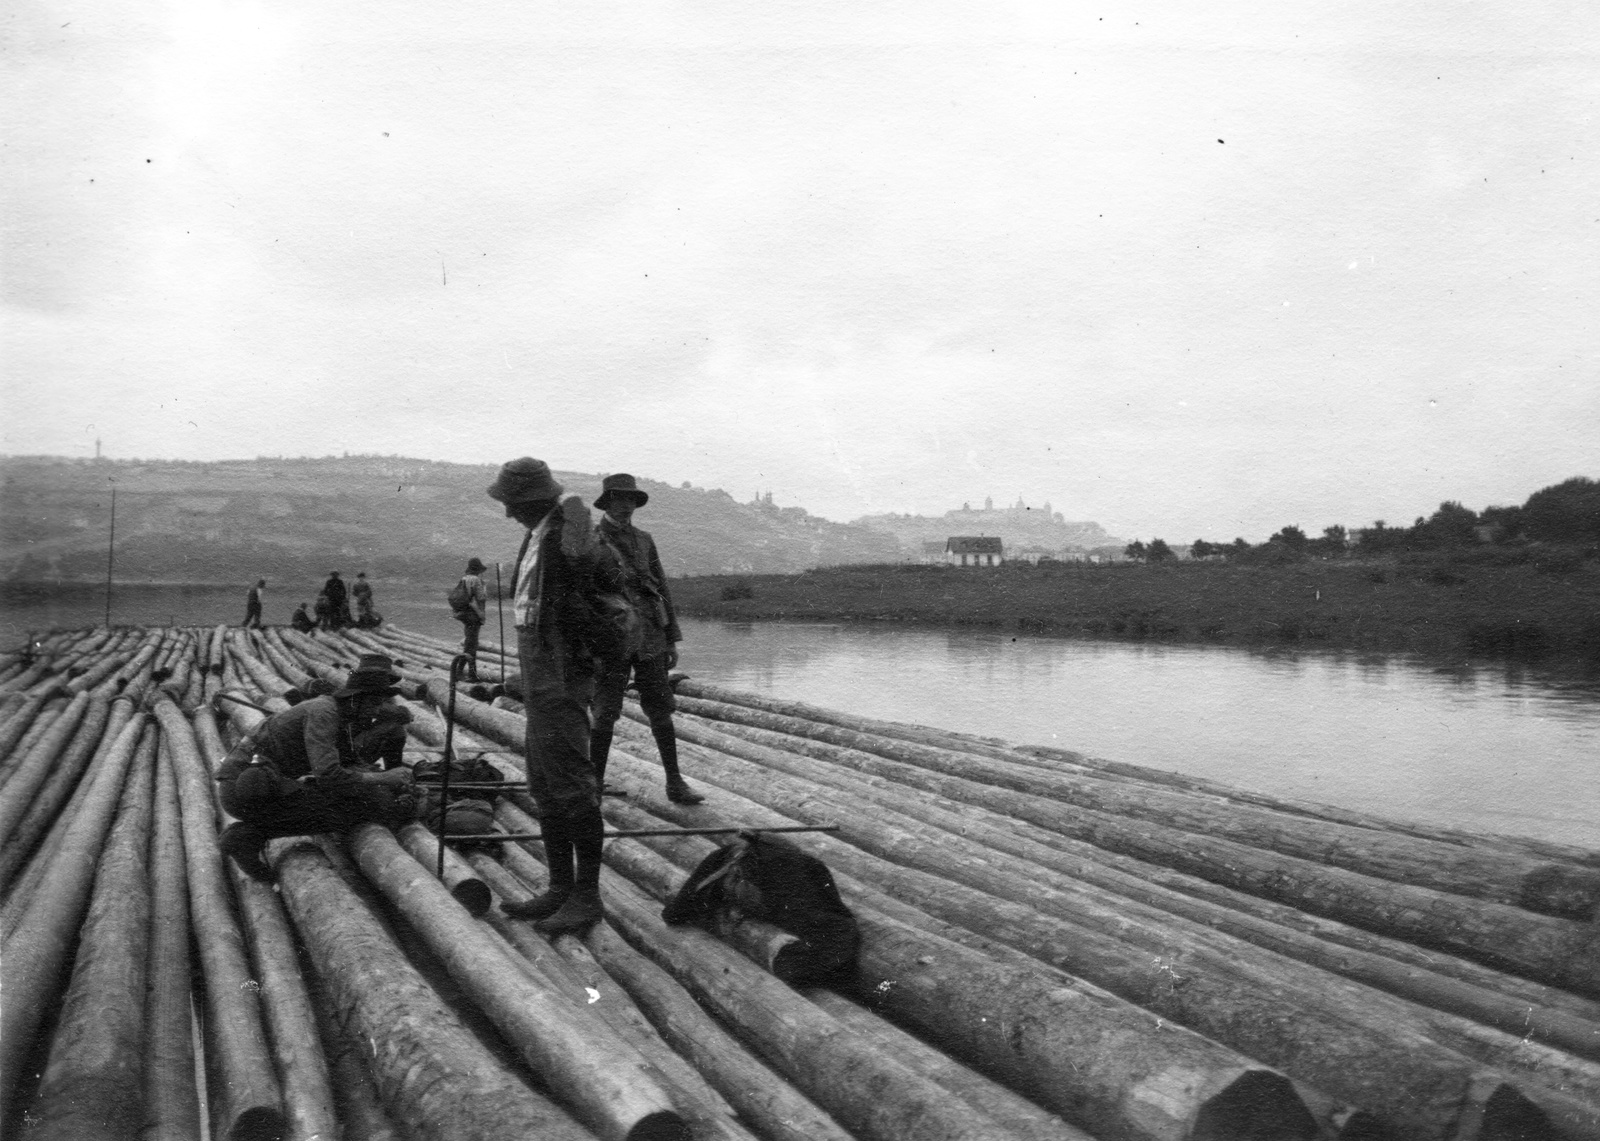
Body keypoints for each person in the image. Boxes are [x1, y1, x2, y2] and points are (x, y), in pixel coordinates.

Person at [486, 456, 608, 933]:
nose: (507, 512)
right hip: (541, 681)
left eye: (511, 503)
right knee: (545, 787)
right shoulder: (537, 536)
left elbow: (579, 605)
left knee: (574, 788)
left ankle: (587, 896)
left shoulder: (565, 535)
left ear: (530, 501)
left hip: (560, 681)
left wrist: (565, 668)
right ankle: (560, 887)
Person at [214, 653, 416, 880]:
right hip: (244, 791)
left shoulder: (340, 715)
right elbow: (329, 775)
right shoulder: (325, 713)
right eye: (374, 704)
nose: (376, 711)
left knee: (363, 799)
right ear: (356, 700)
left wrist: (392, 783)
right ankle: (246, 837)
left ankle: (254, 831)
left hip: (262, 785)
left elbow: (348, 763)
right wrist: (385, 779)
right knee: (354, 809)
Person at [589, 473, 703, 804]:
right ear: (607, 503)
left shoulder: (644, 540)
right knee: (605, 710)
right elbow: (583, 596)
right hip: (612, 639)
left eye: (630, 500)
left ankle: (675, 783)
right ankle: (594, 785)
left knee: (661, 707)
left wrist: (671, 639)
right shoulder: (592, 541)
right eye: (619, 500)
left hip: (651, 636)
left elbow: (661, 589)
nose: (626, 506)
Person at [453, 557, 490, 680]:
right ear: (478, 569)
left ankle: (466, 672)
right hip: (473, 615)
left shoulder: (464, 579)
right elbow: (481, 598)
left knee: (470, 643)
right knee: (471, 644)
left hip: (464, 614)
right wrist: (484, 588)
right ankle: (468, 674)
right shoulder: (476, 580)